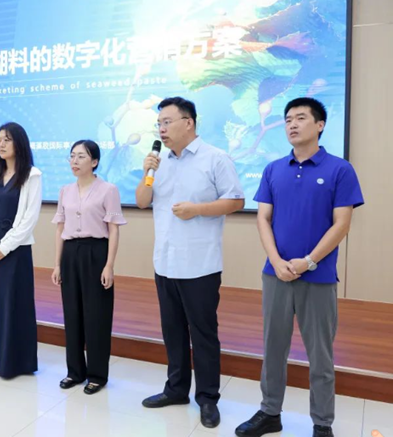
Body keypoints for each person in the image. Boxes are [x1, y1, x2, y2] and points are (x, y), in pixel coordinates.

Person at [235, 98, 364, 437]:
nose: (292, 124)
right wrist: (277, 261)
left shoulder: (340, 170)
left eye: (301, 118)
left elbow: (341, 224)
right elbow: (263, 219)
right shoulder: (273, 169)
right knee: (273, 348)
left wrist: (308, 261)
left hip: (318, 277)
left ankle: (322, 423)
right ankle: (269, 412)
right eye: (288, 119)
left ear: (320, 125)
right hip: (276, 274)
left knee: (320, 355)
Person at [135, 97, 245, 429]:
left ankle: (208, 398)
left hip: (200, 264)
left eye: (167, 122)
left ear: (189, 122)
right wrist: (146, 172)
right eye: (159, 124)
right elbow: (142, 202)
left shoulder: (215, 158)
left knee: (203, 334)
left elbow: (236, 200)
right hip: (165, 261)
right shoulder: (159, 163)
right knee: (172, 331)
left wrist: (197, 209)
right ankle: (176, 389)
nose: (162, 129)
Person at [51, 139, 126, 395]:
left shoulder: (108, 190)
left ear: (94, 162)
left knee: (97, 316)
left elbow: (113, 230)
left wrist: (109, 265)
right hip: (71, 253)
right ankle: (75, 371)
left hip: (96, 252)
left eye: (81, 156)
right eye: (72, 156)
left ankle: (97, 375)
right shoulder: (65, 191)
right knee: (72, 314)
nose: (74, 161)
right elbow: (60, 229)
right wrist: (57, 264)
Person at [0, 122, 42, 378]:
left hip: (14, 250)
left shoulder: (32, 175)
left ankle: (13, 363)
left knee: (11, 304)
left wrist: (5, 247)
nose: (1, 144)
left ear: (19, 143)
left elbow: (29, 219)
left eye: (7, 139)